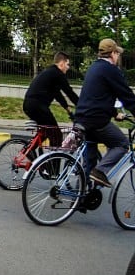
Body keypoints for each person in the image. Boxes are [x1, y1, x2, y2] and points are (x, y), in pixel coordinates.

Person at [73, 39, 135, 187]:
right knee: (122, 144)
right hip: (96, 121)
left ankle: (79, 197)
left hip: (81, 118)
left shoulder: (94, 67)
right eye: (117, 53)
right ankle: (100, 171)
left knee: (90, 161)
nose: (118, 57)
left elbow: (98, 97)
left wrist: (114, 114)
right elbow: (126, 96)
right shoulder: (111, 70)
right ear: (112, 53)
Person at [22, 51, 78, 148]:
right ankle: (52, 162)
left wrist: (67, 109)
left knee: (45, 132)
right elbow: (69, 92)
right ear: (61, 63)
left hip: (29, 105)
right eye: (67, 64)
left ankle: (27, 152)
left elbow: (57, 94)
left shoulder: (51, 72)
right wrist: (82, 105)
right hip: (38, 106)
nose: (68, 67)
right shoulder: (58, 74)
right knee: (57, 135)